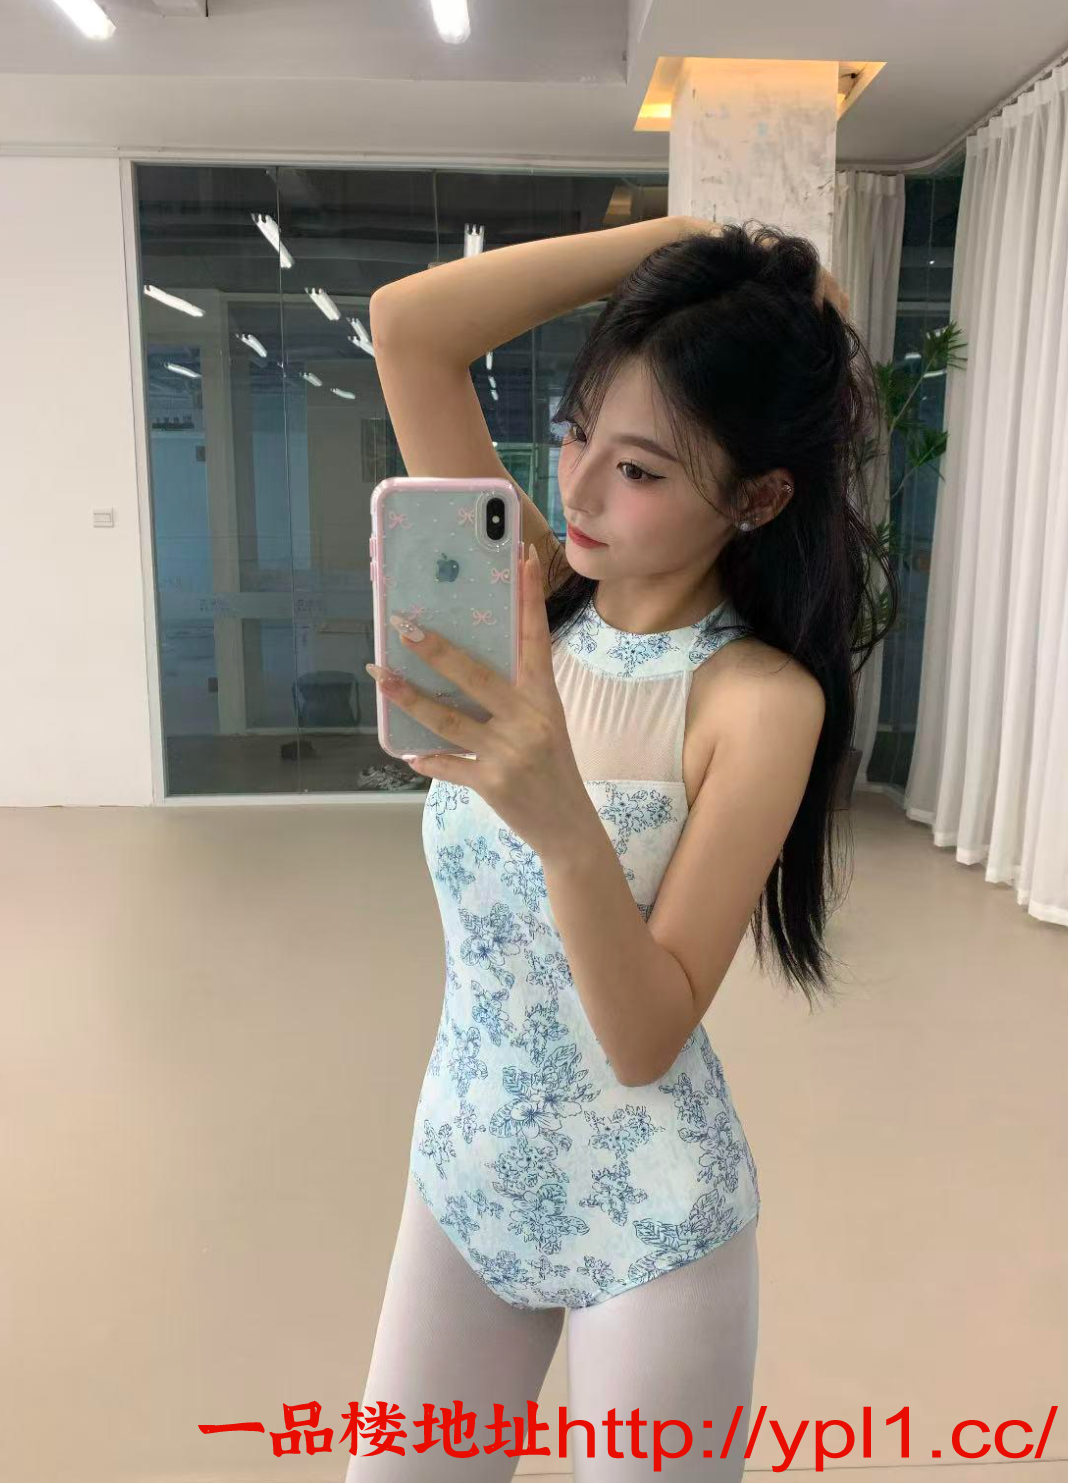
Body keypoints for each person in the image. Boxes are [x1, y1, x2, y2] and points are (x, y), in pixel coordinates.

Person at [348, 216, 897, 1480]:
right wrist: (705, 245)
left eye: (640, 469)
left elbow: (646, 1035)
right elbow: (408, 328)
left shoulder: (756, 705)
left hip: (651, 1224)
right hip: (463, 1174)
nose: (581, 491)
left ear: (758, 497)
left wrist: (562, 820)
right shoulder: (526, 600)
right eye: (576, 432)